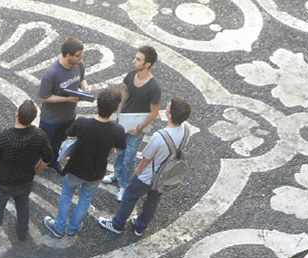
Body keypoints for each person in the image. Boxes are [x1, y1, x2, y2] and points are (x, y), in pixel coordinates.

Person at [99, 97, 194, 237]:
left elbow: (147, 158)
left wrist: (138, 170)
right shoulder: (186, 128)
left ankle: (117, 224)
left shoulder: (159, 137)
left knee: (130, 196)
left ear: (170, 114)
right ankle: (140, 226)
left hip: (148, 176)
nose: (167, 104)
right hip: (165, 176)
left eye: (169, 105)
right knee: (153, 200)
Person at [43, 87, 125, 237]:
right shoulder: (118, 130)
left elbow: (69, 133)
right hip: (96, 171)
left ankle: (59, 227)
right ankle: (73, 228)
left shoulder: (82, 123)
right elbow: (117, 148)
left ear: (97, 104)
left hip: (76, 167)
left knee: (67, 194)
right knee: (86, 198)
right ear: (115, 109)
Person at [0, 100, 52, 246]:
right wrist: (36, 170)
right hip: (25, 180)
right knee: (23, 206)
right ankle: (22, 232)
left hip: (2, 182)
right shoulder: (40, 135)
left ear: (17, 114)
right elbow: (48, 157)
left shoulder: (3, 138)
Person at [106, 46, 162, 194]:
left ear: (147, 64)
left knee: (129, 158)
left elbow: (154, 112)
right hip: (124, 120)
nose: (134, 61)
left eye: (138, 59)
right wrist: (120, 108)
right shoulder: (131, 75)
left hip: (137, 127)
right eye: (135, 58)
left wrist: (139, 129)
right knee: (120, 152)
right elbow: (126, 90)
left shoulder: (153, 87)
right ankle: (117, 175)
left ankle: (124, 184)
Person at [38, 37, 91, 172]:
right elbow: (44, 97)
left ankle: (53, 161)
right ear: (68, 56)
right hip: (51, 119)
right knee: (44, 144)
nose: (81, 57)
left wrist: (85, 87)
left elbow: (82, 79)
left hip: (68, 116)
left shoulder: (79, 65)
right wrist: (67, 99)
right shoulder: (51, 73)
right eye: (78, 55)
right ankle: (37, 165)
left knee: (59, 141)